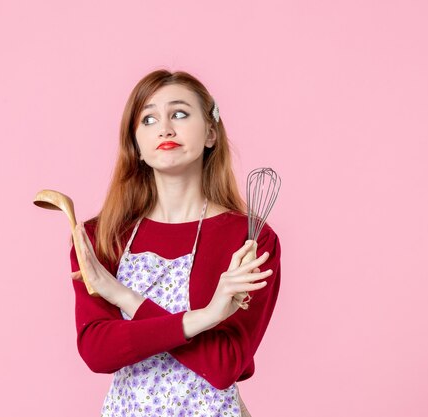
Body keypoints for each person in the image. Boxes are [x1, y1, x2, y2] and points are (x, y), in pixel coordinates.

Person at [68, 69, 281, 417]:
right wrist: (207, 317)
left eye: (180, 114)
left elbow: (223, 365)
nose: (165, 128)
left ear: (211, 132)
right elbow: (97, 351)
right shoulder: (100, 237)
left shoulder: (250, 239)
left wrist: (122, 295)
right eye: (148, 119)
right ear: (135, 145)